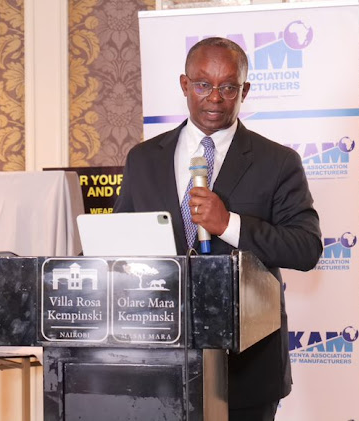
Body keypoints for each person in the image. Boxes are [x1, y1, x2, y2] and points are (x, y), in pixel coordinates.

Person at [114, 37, 322, 420]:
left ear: (244, 90)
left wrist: (229, 225)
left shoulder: (278, 162)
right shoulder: (143, 159)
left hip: (246, 369)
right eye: (202, 85)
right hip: (154, 365)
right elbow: (118, 244)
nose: (214, 97)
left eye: (228, 87)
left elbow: (306, 248)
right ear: (184, 85)